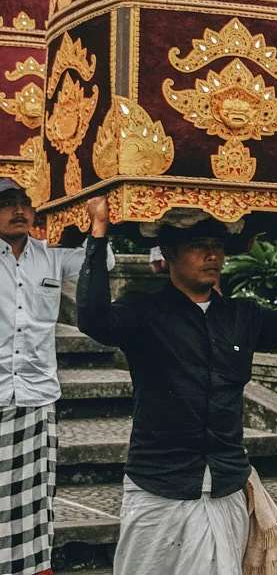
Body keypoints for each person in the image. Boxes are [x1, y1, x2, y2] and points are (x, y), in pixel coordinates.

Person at [77, 197, 277, 575]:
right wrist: (98, 232)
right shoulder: (143, 312)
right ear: (168, 252)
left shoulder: (242, 316)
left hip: (226, 484)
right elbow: (93, 318)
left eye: (217, 246)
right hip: (159, 486)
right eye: (199, 246)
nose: (211, 255)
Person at [0, 180, 112, 575]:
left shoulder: (50, 254)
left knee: (30, 503)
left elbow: (103, 263)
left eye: (24, 203)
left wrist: (90, 223)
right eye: (7, 203)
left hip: (35, 397)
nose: (17, 210)